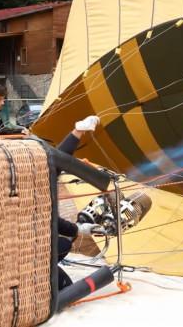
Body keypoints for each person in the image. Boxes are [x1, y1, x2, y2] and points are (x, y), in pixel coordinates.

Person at [52, 115, 103, 290]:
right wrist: (77, 229)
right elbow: (51, 221)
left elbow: (55, 163)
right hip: (29, 259)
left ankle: (78, 130)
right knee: (64, 245)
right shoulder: (35, 194)